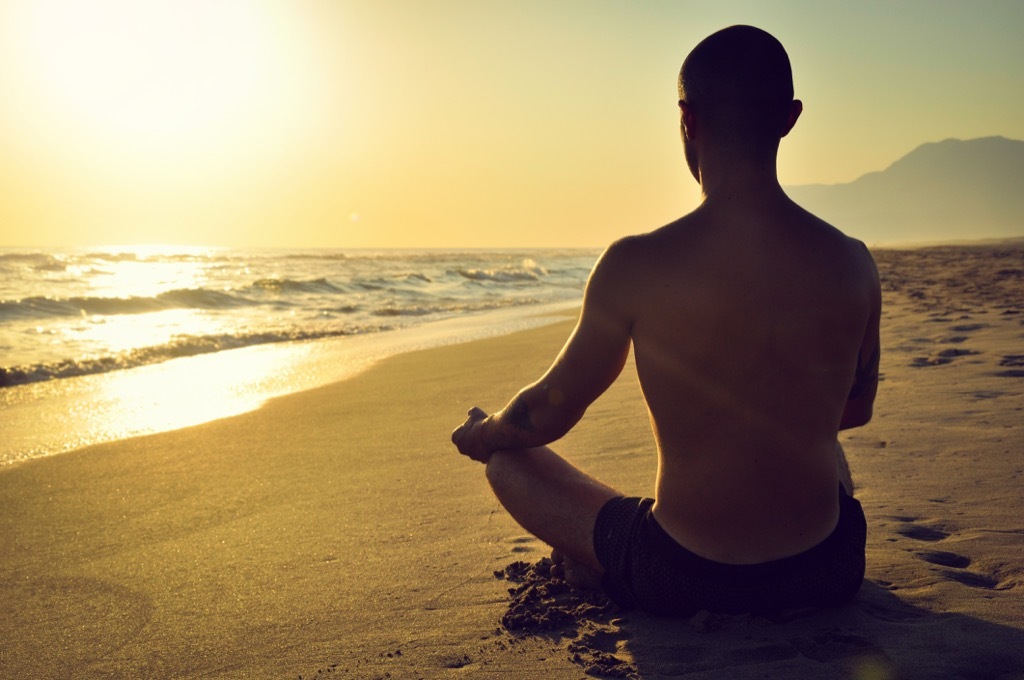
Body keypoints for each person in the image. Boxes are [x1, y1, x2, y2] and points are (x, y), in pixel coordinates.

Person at [451, 25, 880, 616]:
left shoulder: (637, 263)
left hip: (685, 575)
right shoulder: (852, 262)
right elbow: (853, 413)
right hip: (827, 573)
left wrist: (486, 432)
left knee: (508, 464)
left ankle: (607, 571)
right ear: (789, 118)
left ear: (688, 120)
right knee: (820, 438)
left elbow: (549, 409)